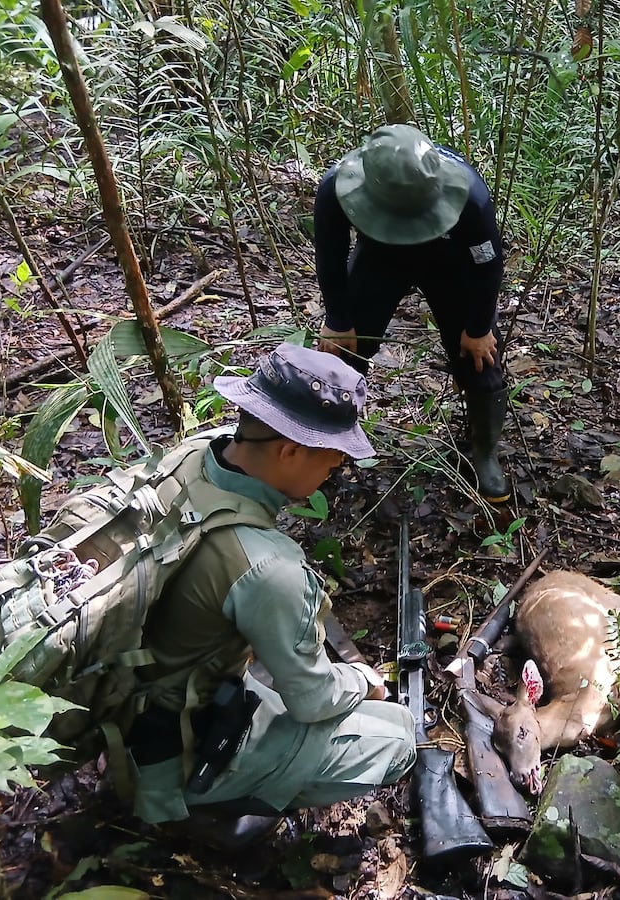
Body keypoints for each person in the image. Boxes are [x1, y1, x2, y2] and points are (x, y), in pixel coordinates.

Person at [126, 342, 416, 844]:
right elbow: (313, 700)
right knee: (397, 735)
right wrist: (360, 679)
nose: (335, 472)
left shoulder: (194, 454)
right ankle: (194, 811)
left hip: (127, 694)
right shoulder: (268, 567)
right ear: (289, 450)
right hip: (173, 746)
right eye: (333, 461)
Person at [312, 123, 511, 503]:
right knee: (342, 352)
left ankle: (484, 452)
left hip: (450, 263)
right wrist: (338, 318)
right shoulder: (337, 187)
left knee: (480, 357)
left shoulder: (469, 195)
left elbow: (488, 263)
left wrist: (479, 326)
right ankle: (324, 443)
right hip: (381, 259)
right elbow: (331, 254)